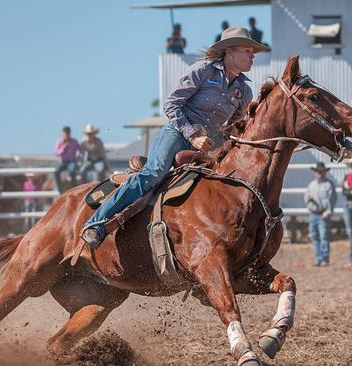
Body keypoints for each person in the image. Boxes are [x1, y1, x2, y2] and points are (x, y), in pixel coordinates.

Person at [82, 27, 269, 247]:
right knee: (153, 174)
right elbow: (171, 105)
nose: (252, 55)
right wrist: (193, 135)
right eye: (247, 50)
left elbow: (233, 127)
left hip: (207, 146)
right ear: (230, 52)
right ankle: (96, 223)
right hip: (178, 133)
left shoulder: (244, 91)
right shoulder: (203, 71)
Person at [305, 162, 337, 267]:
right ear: (315, 173)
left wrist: (328, 212)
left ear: (324, 172)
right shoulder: (311, 185)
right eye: (318, 171)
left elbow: (332, 200)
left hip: (323, 214)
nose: (319, 173)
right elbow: (306, 198)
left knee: (323, 237)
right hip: (313, 214)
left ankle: (324, 259)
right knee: (314, 237)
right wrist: (309, 202)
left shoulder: (329, 185)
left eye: (321, 171)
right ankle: (319, 259)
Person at [54, 126, 81, 191]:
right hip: (63, 162)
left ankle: (74, 187)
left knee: (72, 170)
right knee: (56, 171)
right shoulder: (59, 142)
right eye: (64, 134)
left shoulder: (74, 141)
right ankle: (59, 188)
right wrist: (63, 148)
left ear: (69, 134)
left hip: (71, 161)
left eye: (66, 134)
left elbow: (80, 149)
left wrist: (77, 159)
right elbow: (56, 153)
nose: (65, 135)